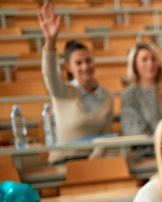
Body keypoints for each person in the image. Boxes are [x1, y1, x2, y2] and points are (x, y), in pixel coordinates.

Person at [37, 3, 114, 164]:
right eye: (78, 63)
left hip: (94, 163)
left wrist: (90, 164)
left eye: (88, 61)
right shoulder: (63, 91)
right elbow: (49, 73)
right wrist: (50, 41)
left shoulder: (106, 95)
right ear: (69, 68)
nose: (85, 66)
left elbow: (105, 136)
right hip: (64, 161)